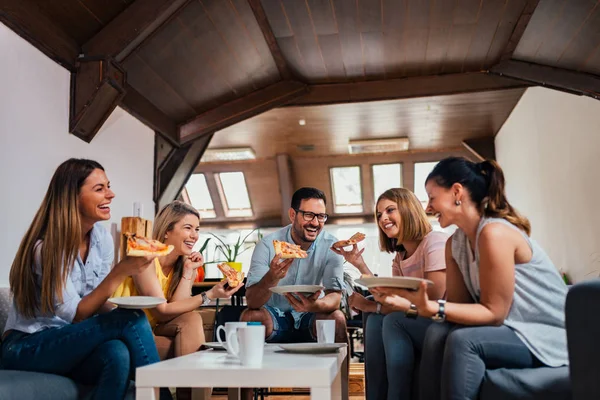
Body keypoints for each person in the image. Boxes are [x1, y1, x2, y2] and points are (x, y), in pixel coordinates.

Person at [375, 157, 569, 400]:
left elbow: (494, 312)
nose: (427, 209)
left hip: (541, 335)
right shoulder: (454, 244)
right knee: (439, 333)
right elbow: (458, 309)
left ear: (457, 192)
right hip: (508, 329)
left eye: (432, 198)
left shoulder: (494, 232)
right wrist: (418, 307)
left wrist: (425, 307)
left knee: (464, 341)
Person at [1, 158, 170, 400]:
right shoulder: (46, 248)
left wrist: (126, 322)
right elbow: (78, 314)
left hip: (67, 340)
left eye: (108, 186)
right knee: (131, 319)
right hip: (25, 347)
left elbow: (98, 301)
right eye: (99, 189)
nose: (110, 194)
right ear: (72, 197)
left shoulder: (101, 239)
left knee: (116, 352)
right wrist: (122, 271)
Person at [113, 201, 242, 400]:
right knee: (196, 354)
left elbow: (177, 309)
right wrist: (210, 295)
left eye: (197, 229)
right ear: (166, 231)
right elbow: (162, 311)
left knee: (191, 319)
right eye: (187, 228)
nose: (194, 236)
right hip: (125, 331)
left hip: (151, 328)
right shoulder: (145, 257)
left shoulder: (181, 264)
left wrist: (188, 272)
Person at [333, 188, 447, 400]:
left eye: (390, 210)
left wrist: (371, 306)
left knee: (392, 320)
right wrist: (358, 263)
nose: (383, 218)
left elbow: (430, 302)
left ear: (409, 210)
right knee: (377, 320)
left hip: (439, 321)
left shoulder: (435, 242)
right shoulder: (400, 257)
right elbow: (392, 298)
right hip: (414, 317)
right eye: (379, 214)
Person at [241, 187, 347, 343]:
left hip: (311, 316)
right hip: (275, 317)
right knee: (251, 316)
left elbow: (335, 298)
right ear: (292, 215)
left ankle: (339, 369)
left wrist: (314, 306)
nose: (315, 223)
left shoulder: (331, 246)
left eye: (321, 216)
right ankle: (250, 366)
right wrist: (272, 276)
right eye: (309, 215)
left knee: (337, 318)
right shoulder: (267, 245)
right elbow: (252, 302)